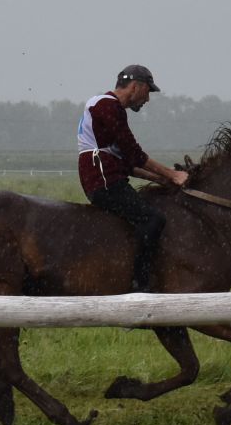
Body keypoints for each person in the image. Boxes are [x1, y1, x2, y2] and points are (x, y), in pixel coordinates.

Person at [78, 64, 188, 291]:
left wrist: (160, 179)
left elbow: (126, 162)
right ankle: (140, 283)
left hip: (104, 176)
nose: (147, 99)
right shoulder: (109, 106)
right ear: (136, 87)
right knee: (153, 220)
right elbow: (135, 154)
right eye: (148, 92)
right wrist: (173, 174)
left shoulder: (105, 105)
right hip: (104, 180)